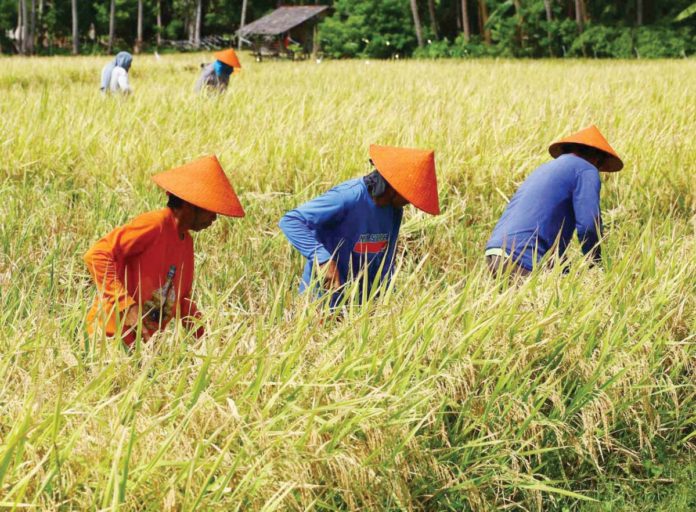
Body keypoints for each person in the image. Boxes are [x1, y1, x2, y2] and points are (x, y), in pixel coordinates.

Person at [84, 155, 245, 347]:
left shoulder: (185, 243)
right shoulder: (154, 224)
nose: (214, 219)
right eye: (210, 210)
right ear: (189, 204)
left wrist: (209, 340)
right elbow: (97, 255)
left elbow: (181, 302)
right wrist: (125, 306)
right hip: (107, 339)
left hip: (139, 346)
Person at [279, 144, 440, 307]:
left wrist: (386, 301)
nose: (410, 202)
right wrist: (322, 259)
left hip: (358, 305)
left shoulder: (394, 211)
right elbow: (291, 221)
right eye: (409, 195)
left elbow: (386, 259)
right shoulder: (347, 197)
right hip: (321, 300)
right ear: (394, 187)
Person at [485, 125, 624, 278]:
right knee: (535, 302)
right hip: (521, 257)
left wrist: (567, 272)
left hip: (495, 252)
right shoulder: (586, 169)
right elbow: (589, 225)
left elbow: (549, 240)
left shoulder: (545, 169)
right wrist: (596, 265)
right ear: (597, 157)